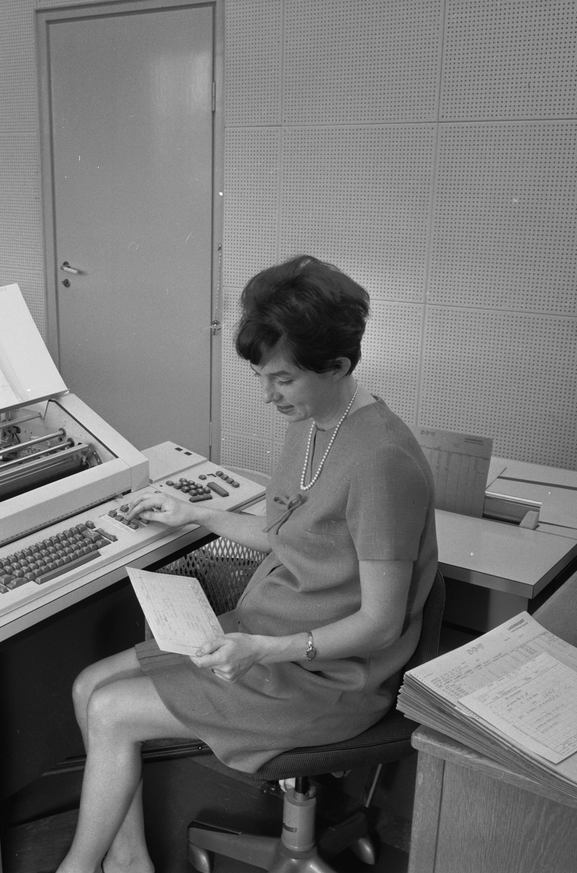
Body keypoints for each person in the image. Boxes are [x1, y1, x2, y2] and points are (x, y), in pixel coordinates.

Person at [55, 255, 438, 873]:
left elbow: (380, 624)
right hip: (266, 637)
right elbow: (286, 534)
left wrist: (262, 650)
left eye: (282, 379)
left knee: (109, 709)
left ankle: (76, 869)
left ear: (338, 366)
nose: (268, 395)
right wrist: (194, 514)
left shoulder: (381, 462)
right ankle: (127, 863)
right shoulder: (313, 421)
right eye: (261, 376)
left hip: (326, 676)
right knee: (86, 686)